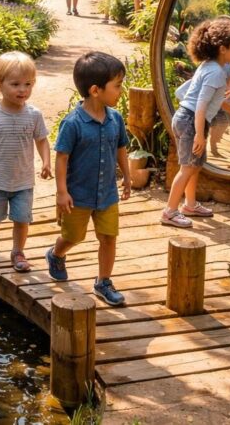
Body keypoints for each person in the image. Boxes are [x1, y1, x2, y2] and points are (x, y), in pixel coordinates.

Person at [45, 52, 131, 307]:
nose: (121, 91)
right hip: (79, 194)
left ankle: (103, 281)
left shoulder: (115, 118)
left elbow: (121, 148)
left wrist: (126, 176)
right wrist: (62, 192)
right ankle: (56, 253)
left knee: (108, 237)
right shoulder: (73, 123)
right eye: (117, 86)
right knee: (73, 236)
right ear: (95, 90)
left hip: (106, 193)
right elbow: (62, 158)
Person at [0, 52, 51, 273]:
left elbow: (42, 140)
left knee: (22, 219)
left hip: (23, 181)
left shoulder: (34, 115)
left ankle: (18, 251)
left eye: (28, 84)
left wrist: (46, 162)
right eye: (15, 84)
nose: (22, 90)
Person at [163, 17, 230, 228]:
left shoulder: (210, 66)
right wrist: (199, 133)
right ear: (223, 49)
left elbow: (208, 95)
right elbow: (200, 106)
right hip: (192, 120)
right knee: (187, 168)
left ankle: (189, 205)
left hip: (187, 119)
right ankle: (169, 212)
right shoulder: (216, 72)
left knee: (194, 166)